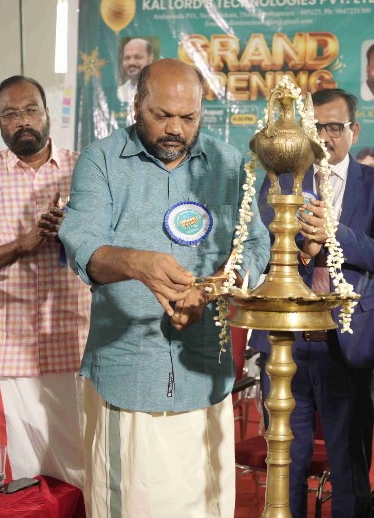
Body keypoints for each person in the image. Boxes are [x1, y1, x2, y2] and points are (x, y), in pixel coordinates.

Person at [59, 58, 269, 518]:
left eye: (188, 117)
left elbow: (254, 246)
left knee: (203, 505)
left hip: (203, 372)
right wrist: (138, 263)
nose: (175, 128)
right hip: (127, 372)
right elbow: (82, 242)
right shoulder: (101, 160)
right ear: (137, 105)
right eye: (162, 115)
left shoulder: (230, 164)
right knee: (128, 502)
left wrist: (213, 291)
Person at [250, 87, 374, 517]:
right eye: (313, 127)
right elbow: (262, 246)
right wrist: (304, 250)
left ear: (354, 130)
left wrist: (333, 234)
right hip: (286, 340)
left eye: (334, 127)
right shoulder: (279, 180)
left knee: (349, 468)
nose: (323, 137)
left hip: (349, 341)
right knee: (285, 465)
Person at [0, 76, 90, 487]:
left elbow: (115, 243)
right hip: (6, 352)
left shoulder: (86, 170)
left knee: (83, 472)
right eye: (10, 114)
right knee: (9, 481)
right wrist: (20, 245)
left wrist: (74, 231)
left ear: (48, 114)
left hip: (75, 344)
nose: (22, 120)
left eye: (30, 110)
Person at [117, 37, 155, 124]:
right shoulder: (119, 92)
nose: (131, 62)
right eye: (127, 58)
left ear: (150, 58)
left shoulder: (160, 90)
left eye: (137, 57)